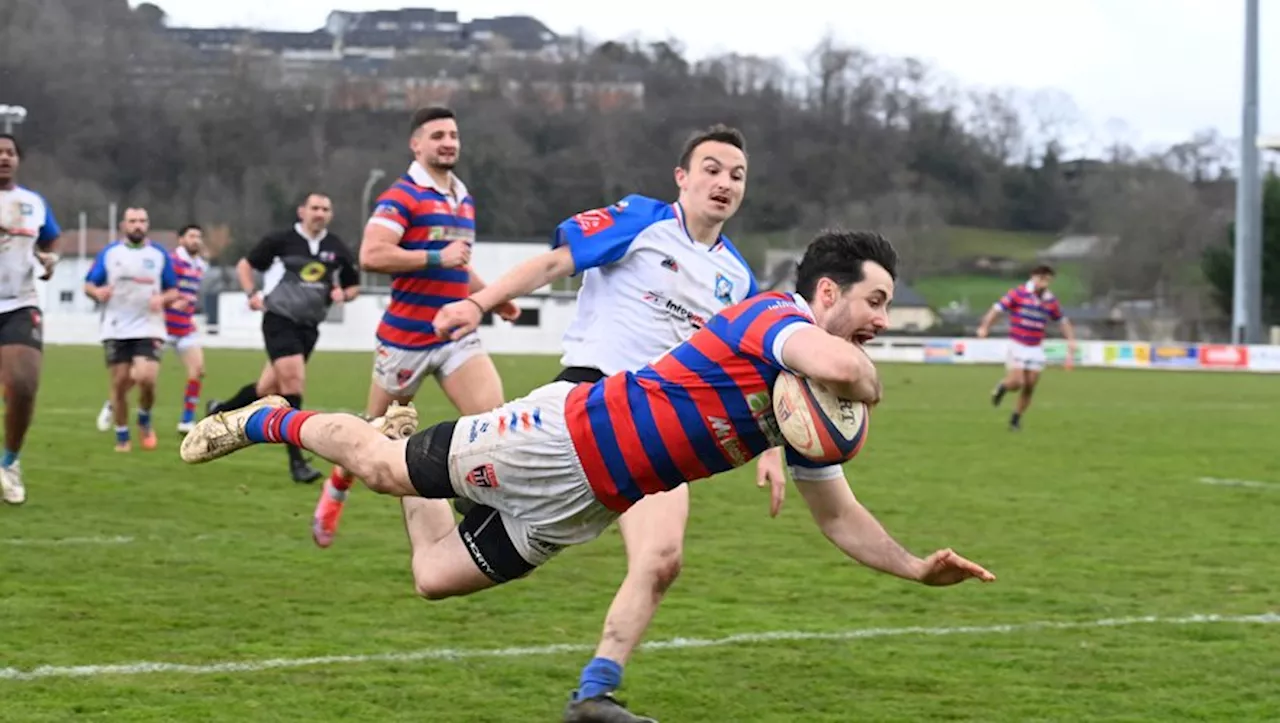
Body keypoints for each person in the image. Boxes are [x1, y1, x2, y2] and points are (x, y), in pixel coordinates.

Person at [181, 230, 996, 723]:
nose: (883, 322)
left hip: (592, 502)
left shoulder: (807, 400)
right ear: (826, 291)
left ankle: (398, 431)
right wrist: (870, 379)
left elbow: (840, 515)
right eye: (875, 301)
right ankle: (261, 419)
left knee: (434, 575)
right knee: (386, 470)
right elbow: (832, 358)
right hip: (563, 439)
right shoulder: (773, 318)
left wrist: (917, 567)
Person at [429, 123, 786, 712]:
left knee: (663, 559)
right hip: (585, 405)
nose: (724, 183)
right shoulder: (642, 221)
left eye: (737, 175)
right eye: (713, 169)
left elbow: (750, 374)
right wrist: (477, 302)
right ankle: (443, 478)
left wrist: (770, 450)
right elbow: (553, 264)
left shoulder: (739, 280)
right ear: (683, 177)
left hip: (662, 431)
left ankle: (595, 693)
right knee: (441, 554)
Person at [312, 106, 520, 545]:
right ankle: (337, 485)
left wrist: (492, 298)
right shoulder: (401, 197)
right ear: (417, 144)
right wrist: (432, 257)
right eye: (438, 135)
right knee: (373, 431)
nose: (449, 142)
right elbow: (371, 255)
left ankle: (478, 503)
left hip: (457, 335)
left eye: (454, 134)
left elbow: (456, 265)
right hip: (407, 339)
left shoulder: (462, 196)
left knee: (493, 423)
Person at [204, 193, 360, 482]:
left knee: (267, 389)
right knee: (293, 383)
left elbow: (353, 287)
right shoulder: (281, 241)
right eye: (314, 208)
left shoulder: (336, 247)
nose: (320, 213)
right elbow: (244, 265)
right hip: (279, 319)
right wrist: (252, 293)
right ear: (302, 211)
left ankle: (218, 412)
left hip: (309, 326)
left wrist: (343, 294)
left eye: (325, 209)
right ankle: (297, 463)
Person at [96, 223, 208, 434]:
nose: (196, 240)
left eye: (199, 236)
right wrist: (169, 303)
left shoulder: (200, 265)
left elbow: (189, 296)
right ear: (181, 239)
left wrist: (189, 313)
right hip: (161, 326)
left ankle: (186, 420)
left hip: (184, 327)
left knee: (198, 370)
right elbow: (159, 290)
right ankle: (113, 403)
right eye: (191, 236)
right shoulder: (171, 261)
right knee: (137, 377)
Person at [84, 207, 180, 452]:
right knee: (119, 383)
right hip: (116, 326)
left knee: (147, 378)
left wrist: (163, 299)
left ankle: (145, 418)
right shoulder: (110, 253)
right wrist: (98, 292)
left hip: (149, 325)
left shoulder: (158, 254)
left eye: (142, 221)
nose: (138, 225)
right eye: (133, 221)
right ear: (123, 225)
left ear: (147, 225)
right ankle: (122, 436)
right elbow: (89, 284)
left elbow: (173, 289)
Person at [0, 133, 61, 504]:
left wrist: (49, 260)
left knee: (23, 386)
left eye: (9, 152)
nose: (4, 157)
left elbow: (50, 240)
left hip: (19, 304)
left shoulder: (33, 204)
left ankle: (9, 462)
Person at [976, 264, 1077, 430]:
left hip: (1035, 347)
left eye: (1047, 278)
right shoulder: (1019, 293)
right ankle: (1003, 386)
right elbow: (997, 309)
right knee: (1016, 382)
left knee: (1030, 385)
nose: (1043, 281)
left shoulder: (1050, 301)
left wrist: (1071, 339)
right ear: (1033, 277)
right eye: (1040, 277)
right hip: (1017, 343)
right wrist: (985, 326)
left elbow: (1062, 321)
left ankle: (1016, 419)